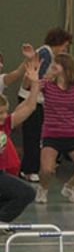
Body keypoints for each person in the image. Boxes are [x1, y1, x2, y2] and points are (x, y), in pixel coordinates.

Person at [25, 53, 74, 204]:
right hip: (51, 134)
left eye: (55, 64)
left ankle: (70, 186)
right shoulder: (47, 84)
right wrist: (34, 74)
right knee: (47, 170)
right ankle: (43, 189)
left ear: (64, 66)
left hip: (72, 133)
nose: (52, 67)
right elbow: (29, 85)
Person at [18, 27, 73, 183]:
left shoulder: (47, 53)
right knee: (32, 135)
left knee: (36, 135)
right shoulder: (46, 54)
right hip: (31, 97)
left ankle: (30, 167)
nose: (64, 49)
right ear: (59, 42)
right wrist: (51, 78)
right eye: (65, 45)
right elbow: (36, 78)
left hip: (36, 98)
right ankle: (28, 169)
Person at [0, 59, 40, 223]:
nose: (4, 116)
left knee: (23, 193)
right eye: (0, 113)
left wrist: (35, 83)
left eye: (5, 112)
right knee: (24, 193)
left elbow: (30, 107)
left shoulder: (6, 124)